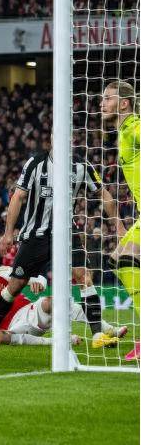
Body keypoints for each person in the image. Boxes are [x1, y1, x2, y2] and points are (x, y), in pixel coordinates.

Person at [0, 144, 125, 349]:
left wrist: (119, 226)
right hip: (35, 235)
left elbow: (104, 194)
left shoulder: (81, 166)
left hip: (66, 233)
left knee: (84, 276)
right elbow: (18, 196)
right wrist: (8, 233)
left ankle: (98, 336)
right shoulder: (35, 163)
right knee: (15, 285)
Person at [0, 248, 126, 346]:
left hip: (30, 312)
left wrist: (38, 283)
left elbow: (40, 279)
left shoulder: (2, 272)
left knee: (52, 302)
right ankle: (58, 341)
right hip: (12, 330)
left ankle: (108, 330)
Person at [101, 80, 141, 360]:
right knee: (120, 260)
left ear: (124, 103)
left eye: (108, 98)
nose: (102, 103)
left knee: (124, 258)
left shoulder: (134, 128)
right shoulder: (123, 132)